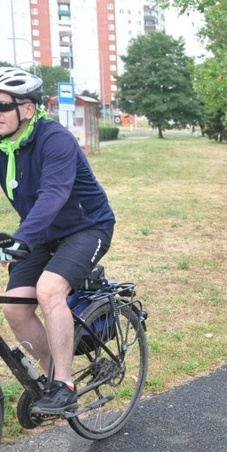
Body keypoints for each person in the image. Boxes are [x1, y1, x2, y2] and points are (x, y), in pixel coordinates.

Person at [0, 68, 115, 414]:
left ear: (28, 109)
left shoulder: (55, 139)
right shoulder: (4, 146)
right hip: (43, 234)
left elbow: (53, 195)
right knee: (14, 306)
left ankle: (65, 383)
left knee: (50, 290)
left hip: (87, 227)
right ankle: (51, 376)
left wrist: (21, 240)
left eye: (2, 105)